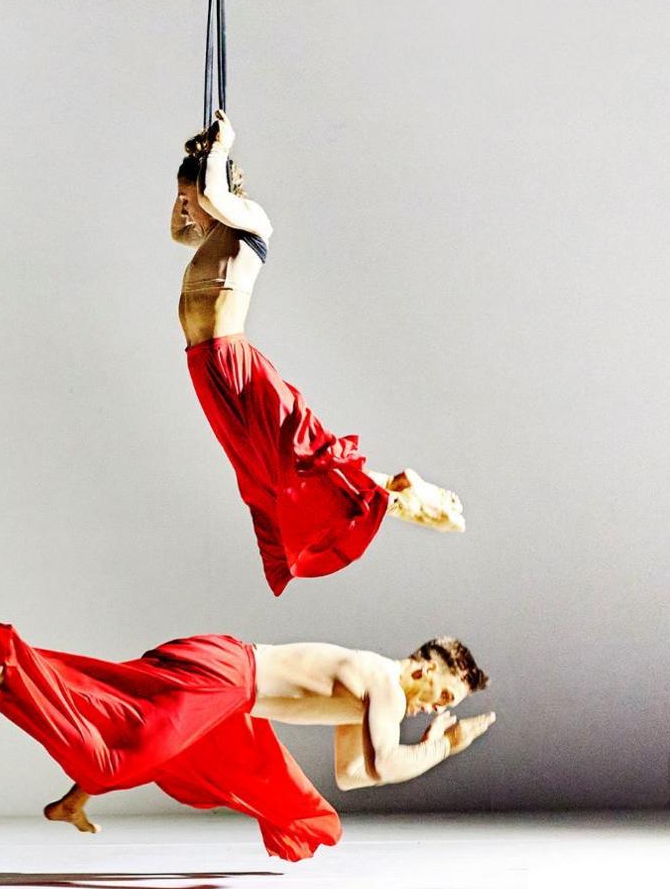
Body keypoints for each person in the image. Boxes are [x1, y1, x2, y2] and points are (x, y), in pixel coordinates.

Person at [173, 110, 463, 595]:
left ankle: (394, 490)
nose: (189, 211)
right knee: (263, 474)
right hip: (205, 368)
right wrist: (184, 183)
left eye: (189, 200)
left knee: (299, 457)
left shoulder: (250, 219)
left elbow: (210, 197)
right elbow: (179, 230)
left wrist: (220, 146)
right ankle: (390, 492)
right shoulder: (207, 226)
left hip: (234, 362)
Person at [0, 628, 494, 860]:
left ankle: (73, 799)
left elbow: (353, 773)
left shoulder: (372, 688)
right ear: (423, 667)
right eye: (441, 694)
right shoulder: (385, 687)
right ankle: (12, 682)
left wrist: (433, 742)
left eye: (448, 707)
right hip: (228, 678)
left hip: (232, 693)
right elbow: (385, 763)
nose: (438, 709)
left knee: (279, 798)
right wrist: (446, 746)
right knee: (129, 756)